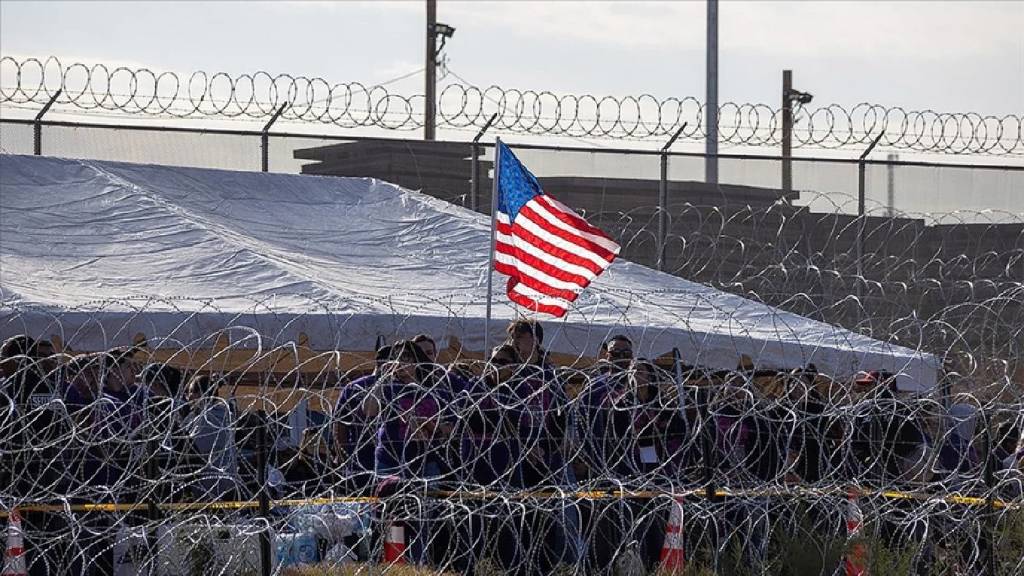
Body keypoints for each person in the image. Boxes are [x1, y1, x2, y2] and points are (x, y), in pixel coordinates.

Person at [182, 374, 239, 501]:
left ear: (202, 394)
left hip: (213, 486)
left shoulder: (210, 419)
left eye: (191, 392)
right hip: (219, 482)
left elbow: (191, 450)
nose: (188, 397)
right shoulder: (213, 414)